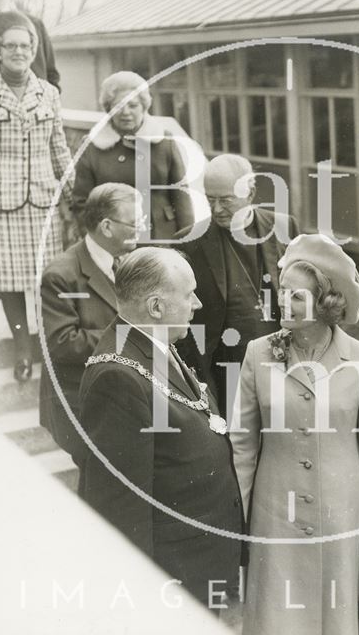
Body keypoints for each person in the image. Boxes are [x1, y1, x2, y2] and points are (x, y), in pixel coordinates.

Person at [230, 234, 359, 635]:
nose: (283, 302)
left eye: (296, 296)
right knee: (277, 618)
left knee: (335, 617)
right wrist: (238, 519)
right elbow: (243, 444)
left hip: (341, 512)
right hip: (274, 510)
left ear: (326, 303)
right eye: (281, 293)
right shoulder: (257, 353)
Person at [78, 246, 243, 607]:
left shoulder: (152, 342)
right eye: (188, 295)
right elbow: (120, 509)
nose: (197, 303)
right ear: (156, 307)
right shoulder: (117, 378)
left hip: (198, 563)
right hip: (173, 579)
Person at [0, 11, 73, 381]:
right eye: (10, 45)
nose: (19, 51)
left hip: (42, 200)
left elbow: (59, 147)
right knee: (10, 283)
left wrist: (74, 194)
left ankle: (49, 346)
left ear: (34, 49)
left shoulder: (49, 93)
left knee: (47, 278)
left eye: (25, 45)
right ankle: (21, 348)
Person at [175, 153, 299, 415]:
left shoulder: (284, 226)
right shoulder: (189, 243)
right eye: (211, 200)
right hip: (223, 370)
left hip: (281, 361)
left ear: (250, 193)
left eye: (226, 200)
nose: (217, 209)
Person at [39, 183, 144, 466]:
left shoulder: (130, 260)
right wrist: (131, 336)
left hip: (121, 397)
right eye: (135, 223)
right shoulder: (60, 275)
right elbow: (62, 343)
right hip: (82, 405)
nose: (142, 229)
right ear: (107, 227)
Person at [72, 70, 194, 240]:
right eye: (118, 106)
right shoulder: (93, 146)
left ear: (144, 106)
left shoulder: (163, 140)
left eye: (133, 105)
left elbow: (182, 196)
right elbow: (81, 204)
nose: (126, 112)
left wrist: (188, 241)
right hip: (114, 242)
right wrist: (96, 242)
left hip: (163, 238)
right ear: (108, 108)